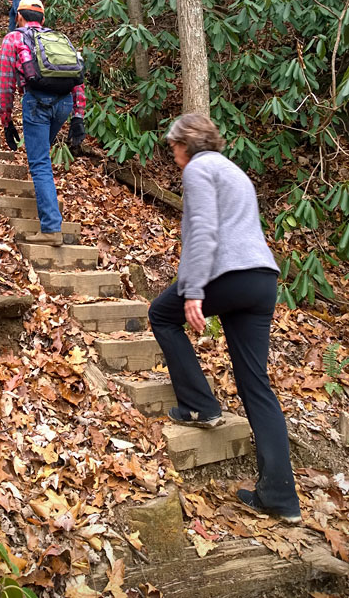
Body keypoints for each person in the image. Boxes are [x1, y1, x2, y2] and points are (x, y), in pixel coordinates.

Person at [148, 113, 301, 524]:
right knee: (256, 385)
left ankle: (199, 405)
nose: (173, 155)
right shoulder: (233, 170)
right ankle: (280, 497)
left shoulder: (199, 168)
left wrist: (194, 288)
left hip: (229, 275)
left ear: (186, 145)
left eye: (174, 147)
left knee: (161, 314)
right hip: (262, 281)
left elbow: (203, 229)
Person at [0, 0, 86, 245]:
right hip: (64, 103)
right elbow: (76, 77)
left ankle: (50, 229)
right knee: (41, 155)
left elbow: (5, 83)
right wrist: (78, 116)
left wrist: (6, 121)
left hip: (37, 102)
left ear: (18, 17)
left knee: (39, 163)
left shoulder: (13, 38)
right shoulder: (58, 39)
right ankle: (48, 205)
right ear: (43, 19)